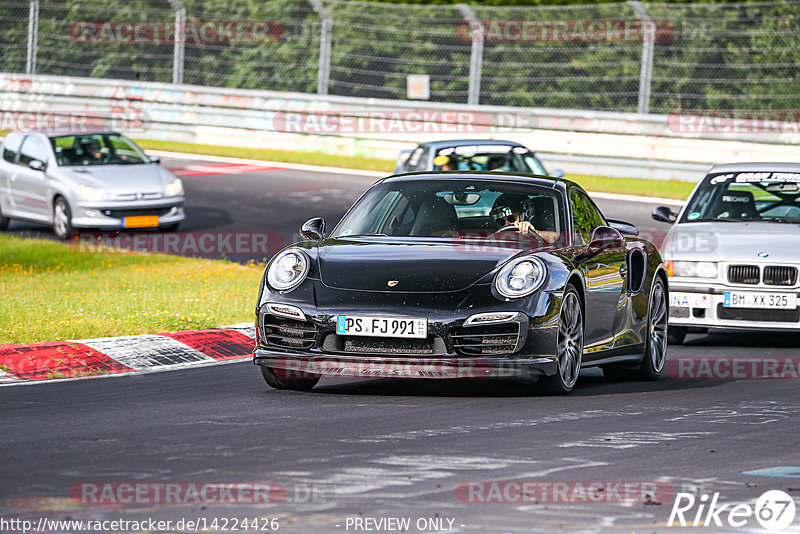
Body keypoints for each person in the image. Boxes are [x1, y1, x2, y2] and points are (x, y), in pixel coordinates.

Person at [490, 194, 558, 243]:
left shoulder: (541, 224)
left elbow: (557, 238)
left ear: (525, 215)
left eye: (511, 218)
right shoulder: (494, 235)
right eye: (501, 221)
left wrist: (535, 232)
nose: (506, 224)